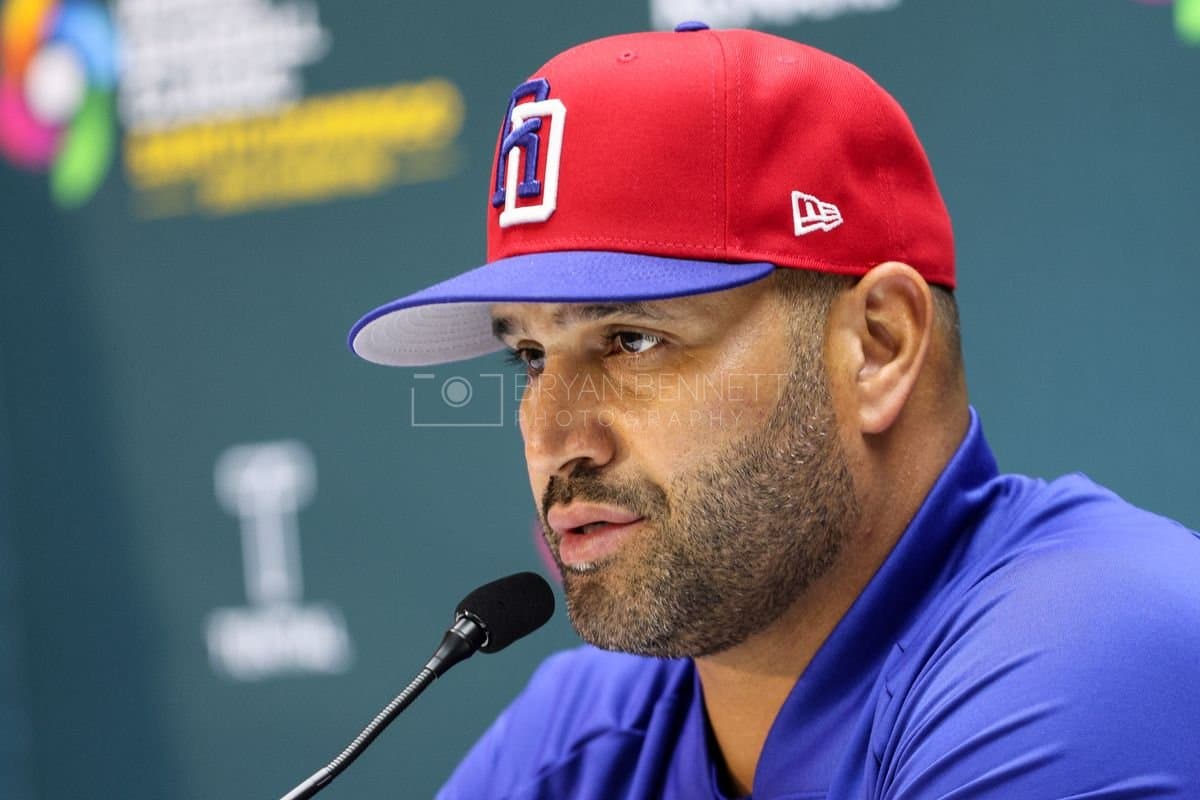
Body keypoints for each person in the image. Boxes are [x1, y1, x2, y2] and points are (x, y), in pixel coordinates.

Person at [348, 24, 1200, 800]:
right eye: (529, 356)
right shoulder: (582, 732)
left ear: (879, 345)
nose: (553, 436)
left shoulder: (1091, 651)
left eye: (632, 341)